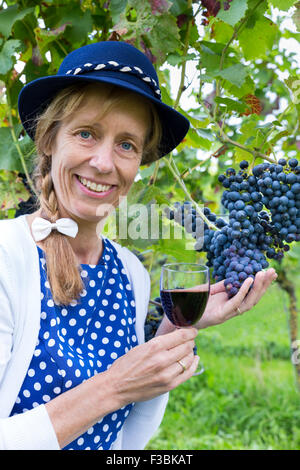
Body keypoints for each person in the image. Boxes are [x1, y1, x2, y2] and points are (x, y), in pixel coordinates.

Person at [0, 41, 277, 451]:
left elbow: (126, 435)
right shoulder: (8, 257)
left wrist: (181, 325)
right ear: (47, 140)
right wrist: (113, 386)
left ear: (140, 163)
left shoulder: (129, 273)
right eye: (86, 133)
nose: (104, 163)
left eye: (127, 145)